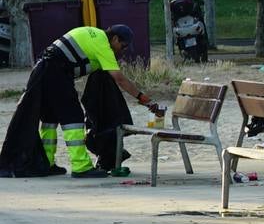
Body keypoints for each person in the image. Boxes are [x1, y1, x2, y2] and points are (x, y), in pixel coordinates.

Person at [0, 24, 162, 178]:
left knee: (50, 118)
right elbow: (120, 79)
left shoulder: (94, 34)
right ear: (115, 39)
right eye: (123, 46)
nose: (123, 51)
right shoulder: (103, 45)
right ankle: (81, 166)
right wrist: (144, 99)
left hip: (44, 69)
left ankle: (46, 163)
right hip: (56, 71)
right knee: (73, 117)